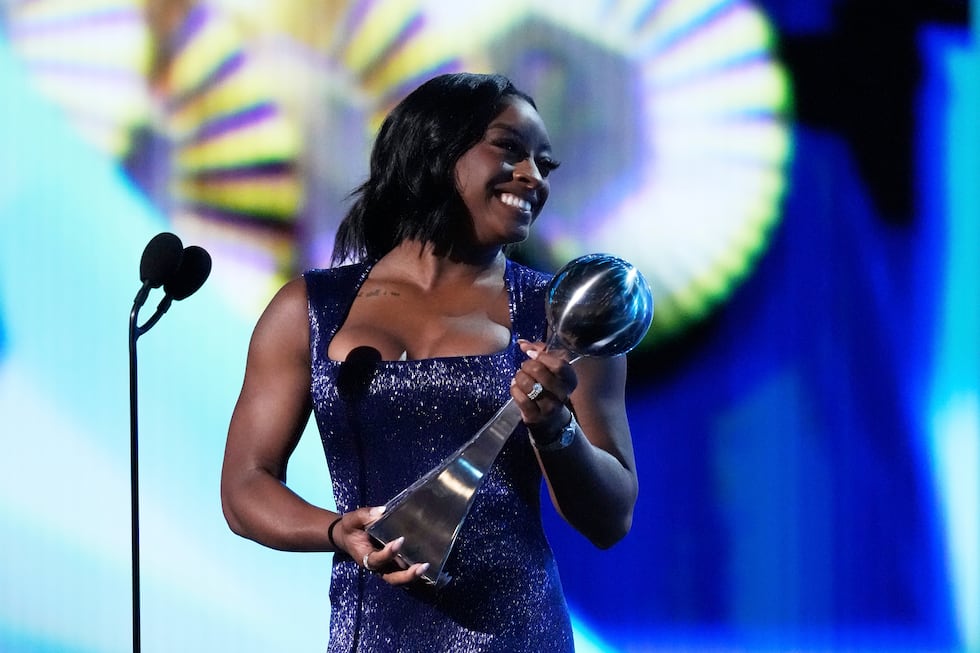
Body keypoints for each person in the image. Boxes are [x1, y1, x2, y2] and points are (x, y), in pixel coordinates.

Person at [220, 72, 638, 652]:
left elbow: (610, 518)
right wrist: (335, 531)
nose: (534, 177)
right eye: (510, 150)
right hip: (374, 636)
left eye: (546, 164)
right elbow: (245, 487)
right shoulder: (309, 310)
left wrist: (554, 424)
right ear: (435, 149)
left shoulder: (559, 319)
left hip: (516, 637)